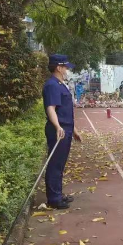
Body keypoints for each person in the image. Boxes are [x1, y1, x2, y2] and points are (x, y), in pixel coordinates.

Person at [43, 54, 82, 209]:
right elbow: (51, 108)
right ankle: (54, 199)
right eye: (65, 67)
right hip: (59, 131)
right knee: (55, 164)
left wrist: (74, 130)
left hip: (65, 128)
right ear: (59, 68)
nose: (67, 70)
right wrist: (58, 127)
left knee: (60, 164)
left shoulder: (59, 84)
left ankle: (58, 194)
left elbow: (64, 111)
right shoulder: (52, 85)